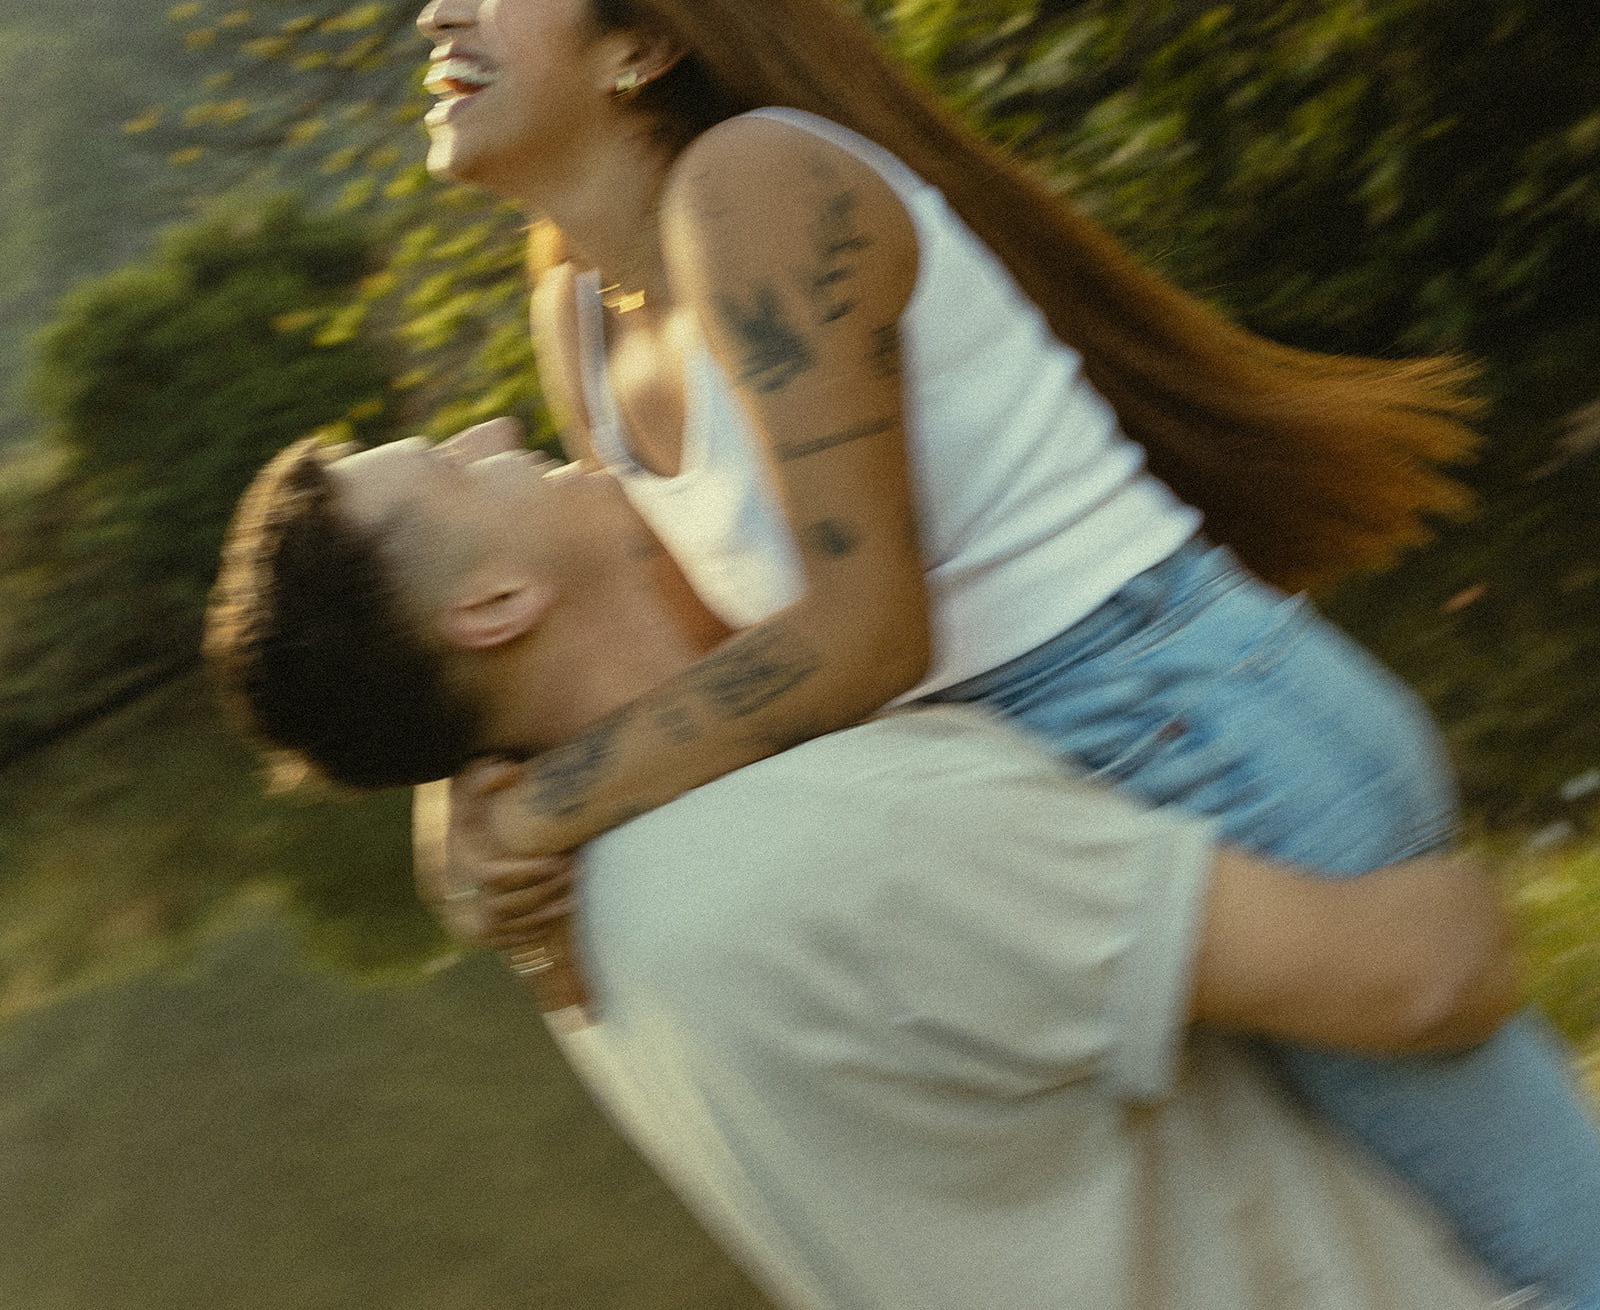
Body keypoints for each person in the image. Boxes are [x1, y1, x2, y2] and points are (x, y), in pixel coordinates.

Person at [408, 0, 1600, 1304]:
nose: (442, 11)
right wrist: (466, 794)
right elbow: (695, 663)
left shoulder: (757, 185)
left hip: (1189, 730)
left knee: (1553, 1260)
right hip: (1028, 814)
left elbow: (855, 635)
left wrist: (541, 810)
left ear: (641, 43)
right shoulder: (578, 317)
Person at [205, 425, 1519, 1310]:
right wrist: (1430, 854)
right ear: (493, 609)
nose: (501, 435)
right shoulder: (850, 826)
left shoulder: (574, 909)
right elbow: (1430, 980)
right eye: (456, 464)